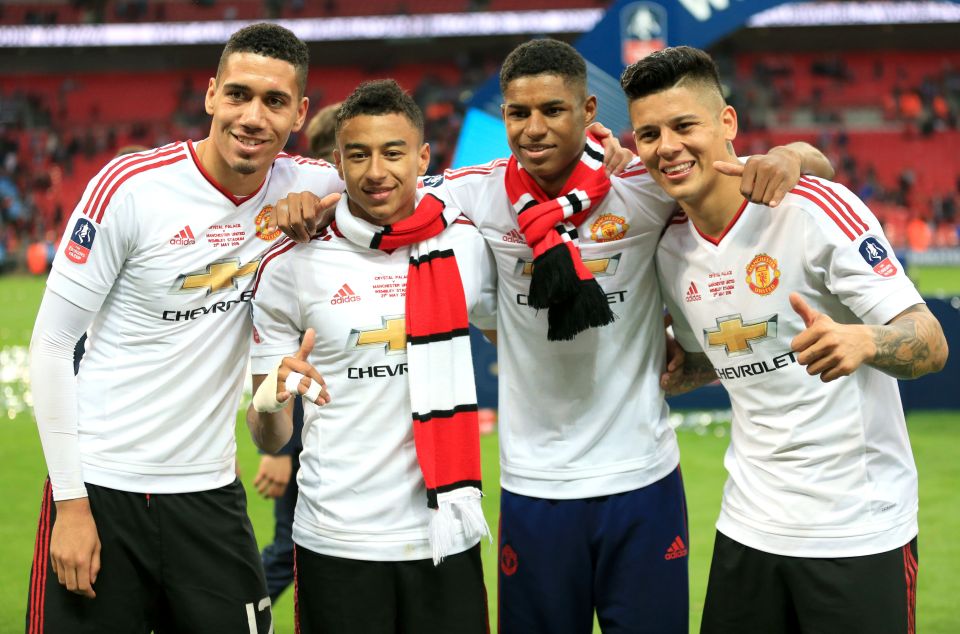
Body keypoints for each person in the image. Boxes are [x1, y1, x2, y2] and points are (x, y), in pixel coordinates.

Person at [273, 38, 834, 634]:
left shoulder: (642, 186)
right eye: (519, 113)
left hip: (640, 481)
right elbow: (381, 194)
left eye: (553, 111)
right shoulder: (475, 193)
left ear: (590, 112)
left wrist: (795, 153)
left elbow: (765, 173)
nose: (533, 128)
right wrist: (313, 202)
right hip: (534, 487)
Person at [26, 23, 343, 633]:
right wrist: (70, 503)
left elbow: (415, 192)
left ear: (300, 113)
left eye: (274, 101)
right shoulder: (132, 189)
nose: (253, 117)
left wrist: (588, 162)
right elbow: (52, 345)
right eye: (239, 95)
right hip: (102, 485)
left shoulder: (314, 187)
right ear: (210, 96)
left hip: (209, 490)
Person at [621, 45, 949, 633]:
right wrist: (683, 370)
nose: (666, 145)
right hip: (747, 528)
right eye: (649, 133)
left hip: (857, 528)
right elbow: (737, 353)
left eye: (683, 125)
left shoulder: (814, 210)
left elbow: (928, 340)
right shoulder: (668, 245)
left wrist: (867, 342)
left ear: (727, 123)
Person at [246, 79, 496, 633]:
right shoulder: (292, 265)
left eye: (393, 152)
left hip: (444, 532)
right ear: (337, 161)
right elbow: (268, 436)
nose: (376, 171)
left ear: (423, 158)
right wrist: (273, 397)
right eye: (358, 154)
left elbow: (512, 336)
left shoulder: (466, 245)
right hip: (337, 539)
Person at [254, 101, 341, 604]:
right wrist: (285, 452)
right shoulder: (301, 246)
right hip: (306, 430)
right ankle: (243, 610)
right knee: (290, 547)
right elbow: (294, 357)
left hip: (341, 435)